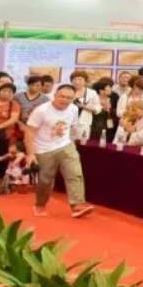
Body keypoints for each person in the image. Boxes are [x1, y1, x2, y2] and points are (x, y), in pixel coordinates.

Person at [26, 83, 94, 219]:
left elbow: (73, 127)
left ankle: (77, 205)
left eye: (69, 98)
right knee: (45, 181)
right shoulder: (41, 110)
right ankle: (40, 205)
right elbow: (29, 132)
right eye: (62, 96)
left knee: (75, 174)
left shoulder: (74, 109)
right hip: (44, 149)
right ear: (55, 95)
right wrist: (30, 154)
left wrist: (74, 142)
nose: (65, 100)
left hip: (65, 145)